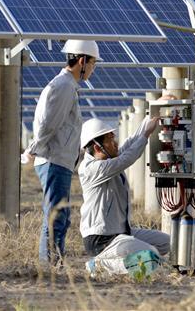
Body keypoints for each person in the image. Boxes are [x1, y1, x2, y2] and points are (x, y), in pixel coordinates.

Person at [22, 39, 100, 266]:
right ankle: (49, 265)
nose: (94, 68)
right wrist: (33, 149)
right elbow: (49, 123)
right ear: (82, 61)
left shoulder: (68, 85)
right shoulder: (64, 86)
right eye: (93, 63)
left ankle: (53, 262)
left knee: (61, 216)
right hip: (54, 160)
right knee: (56, 215)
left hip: (59, 161)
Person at [78, 115, 170, 276]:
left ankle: (130, 261)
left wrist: (147, 121)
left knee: (168, 243)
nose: (115, 143)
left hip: (121, 233)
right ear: (98, 148)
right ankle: (99, 265)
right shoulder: (91, 168)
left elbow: (127, 146)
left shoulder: (108, 159)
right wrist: (145, 135)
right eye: (110, 140)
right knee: (151, 258)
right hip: (102, 239)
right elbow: (127, 158)